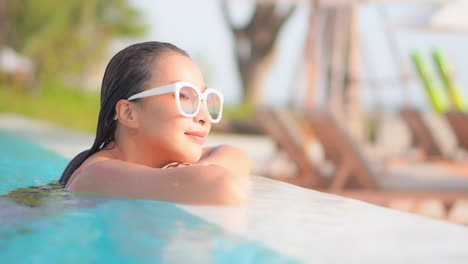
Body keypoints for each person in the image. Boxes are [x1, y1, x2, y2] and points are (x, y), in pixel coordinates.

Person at [59, 41, 252, 205]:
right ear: (129, 113)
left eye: (204, 99)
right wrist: (198, 172)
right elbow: (223, 188)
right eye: (184, 96)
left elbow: (239, 156)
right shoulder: (97, 175)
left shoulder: (154, 161)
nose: (204, 116)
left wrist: (201, 166)